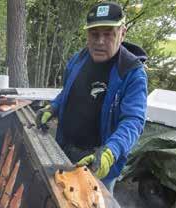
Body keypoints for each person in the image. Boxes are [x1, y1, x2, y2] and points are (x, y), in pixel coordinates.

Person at [35, 1, 148, 194]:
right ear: (87, 34)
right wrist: (52, 108)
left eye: (108, 33)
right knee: (60, 205)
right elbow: (67, 93)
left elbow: (133, 121)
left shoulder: (132, 73)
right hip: (64, 149)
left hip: (98, 161)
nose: (100, 41)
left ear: (123, 32)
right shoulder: (78, 60)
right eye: (94, 34)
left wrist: (111, 151)